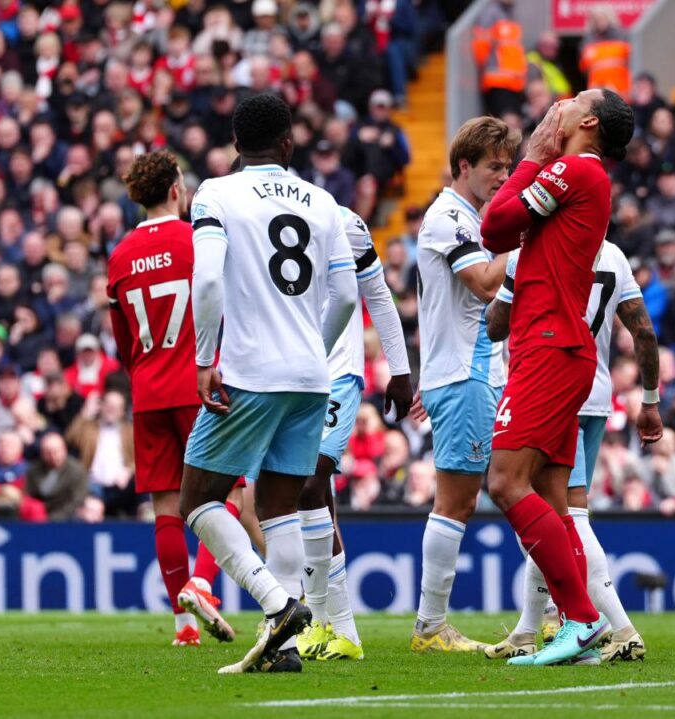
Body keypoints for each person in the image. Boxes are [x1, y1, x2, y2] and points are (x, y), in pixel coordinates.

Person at [178, 94, 358, 675]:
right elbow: (347, 296)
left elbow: (208, 281)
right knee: (280, 506)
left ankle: (278, 606)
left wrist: (205, 358)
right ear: (288, 143)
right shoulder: (324, 202)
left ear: (236, 144)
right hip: (311, 376)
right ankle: (283, 649)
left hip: (250, 371)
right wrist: (314, 349)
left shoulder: (216, 193)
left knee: (197, 498)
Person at [479, 90, 635, 667]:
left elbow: (495, 227)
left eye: (572, 101)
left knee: (505, 483)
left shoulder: (575, 170)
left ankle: (585, 620)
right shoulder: (577, 177)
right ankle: (581, 627)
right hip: (555, 346)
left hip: (549, 346)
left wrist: (532, 158)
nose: (558, 106)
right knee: (551, 497)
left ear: (587, 121)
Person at [484, 240, 662, 663]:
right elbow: (643, 332)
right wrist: (650, 399)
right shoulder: (615, 255)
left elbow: (495, 326)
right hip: (595, 392)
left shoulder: (537, 250)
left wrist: (505, 278)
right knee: (552, 511)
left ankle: (620, 628)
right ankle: (529, 629)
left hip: (548, 385)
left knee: (564, 517)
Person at [106, 150, 235, 648]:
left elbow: (123, 341)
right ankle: (201, 583)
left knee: (166, 506)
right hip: (198, 385)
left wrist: (145, 371)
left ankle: (184, 627)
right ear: (177, 190)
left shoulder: (120, 256)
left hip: (148, 391)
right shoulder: (195, 240)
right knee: (227, 492)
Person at [410, 116, 518, 654]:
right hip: (466, 375)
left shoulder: (469, 218)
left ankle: (547, 615)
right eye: (494, 167)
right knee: (457, 502)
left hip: (472, 373)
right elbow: (482, 285)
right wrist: (526, 236)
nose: (503, 176)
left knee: (514, 486)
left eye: (508, 167)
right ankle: (430, 626)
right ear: (464, 166)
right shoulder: (449, 217)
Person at [295, 207, 413, 662]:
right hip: (287, 372)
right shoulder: (254, 214)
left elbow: (377, 295)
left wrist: (400, 370)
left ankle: (324, 622)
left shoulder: (341, 220)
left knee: (310, 482)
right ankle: (336, 629)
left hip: (337, 371)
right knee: (309, 494)